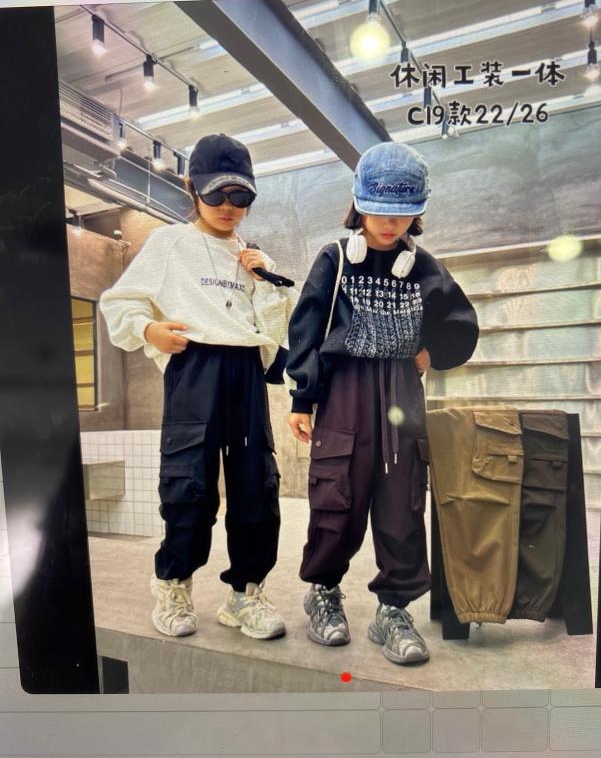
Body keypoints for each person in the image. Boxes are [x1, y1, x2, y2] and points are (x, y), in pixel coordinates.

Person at [286, 141, 479, 665]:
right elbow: (306, 329)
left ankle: (393, 610)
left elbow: (462, 325)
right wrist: (302, 398)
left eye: (402, 213)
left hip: (401, 398)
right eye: (379, 211)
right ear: (358, 204)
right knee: (336, 501)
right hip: (344, 395)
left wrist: (430, 354)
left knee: (403, 508)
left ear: (417, 212)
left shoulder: (424, 268)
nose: (390, 224)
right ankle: (324, 593)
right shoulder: (335, 260)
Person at [100, 133, 290, 641]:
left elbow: (275, 335)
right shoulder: (170, 243)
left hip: (245, 372)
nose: (228, 206)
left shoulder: (254, 256)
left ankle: (246, 593)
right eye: (215, 194)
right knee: (190, 487)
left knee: (257, 487)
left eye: (240, 196)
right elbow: (119, 302)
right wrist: (149, 330)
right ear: (192, 188)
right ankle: (173, 584)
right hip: (195, 368)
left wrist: (265, 282)